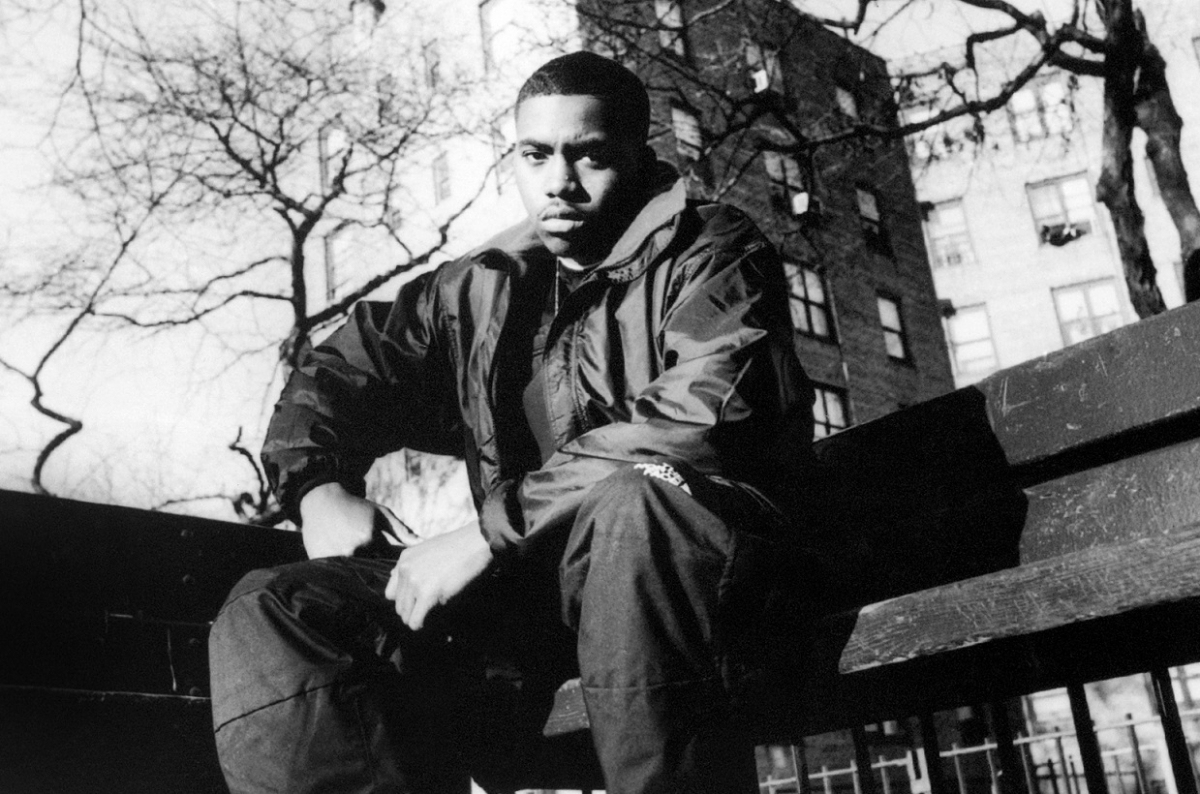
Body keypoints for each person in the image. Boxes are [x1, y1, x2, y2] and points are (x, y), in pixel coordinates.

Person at [209, 51, 815, 794]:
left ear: (638, 155)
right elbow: (338, 370)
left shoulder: (714, 251)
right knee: (277, 605)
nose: (560, 182)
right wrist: (316, 488)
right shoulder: (484, 288)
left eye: (590, 155)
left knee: (637, 503)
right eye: (536, 155)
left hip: (712, 587)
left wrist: (487, 534)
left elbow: (703, 420)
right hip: (535, 603)